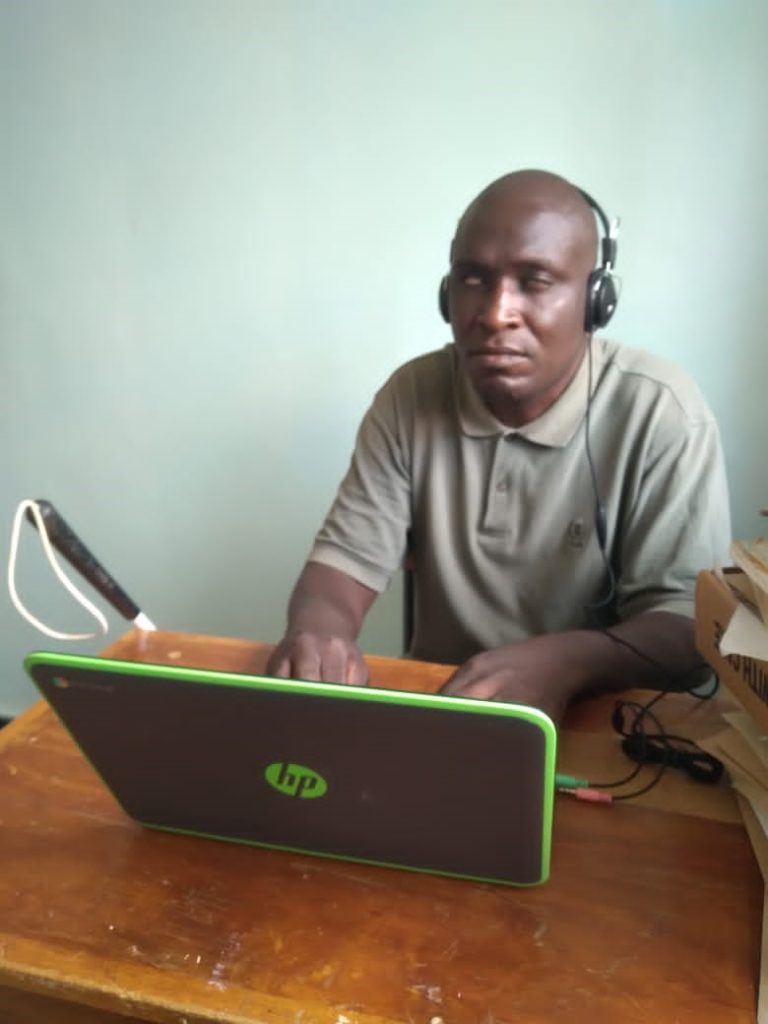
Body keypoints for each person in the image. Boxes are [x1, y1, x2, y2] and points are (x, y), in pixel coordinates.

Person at [266, 169, 731, 722]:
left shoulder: (661, 412)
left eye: (535, 281)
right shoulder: (411, 396)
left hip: (601, 724)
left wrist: (568, 663)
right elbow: (342, 565)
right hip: (445, 709)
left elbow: (691, 633)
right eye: (473, 279)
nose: (494, 313)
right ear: (447, 293)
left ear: (595, 300)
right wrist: (318, 632)